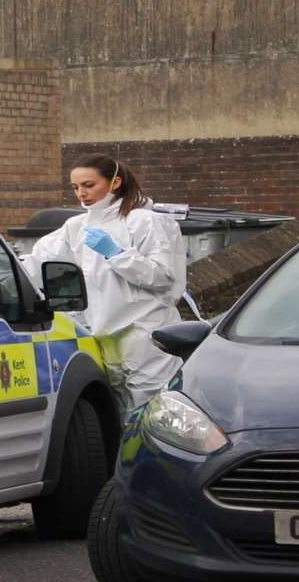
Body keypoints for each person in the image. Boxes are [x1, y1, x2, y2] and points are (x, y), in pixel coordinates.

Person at [29, 154, 186, 415]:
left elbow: (163, 277)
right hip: (102, 334)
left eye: (89, 185)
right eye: (76, 187)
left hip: (145, 333)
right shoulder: (77, 226)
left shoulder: (146, 221)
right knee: (117, 415)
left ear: (115, 182)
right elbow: (39, 263)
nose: (81, 193)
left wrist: (116, 254)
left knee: (154, 413)